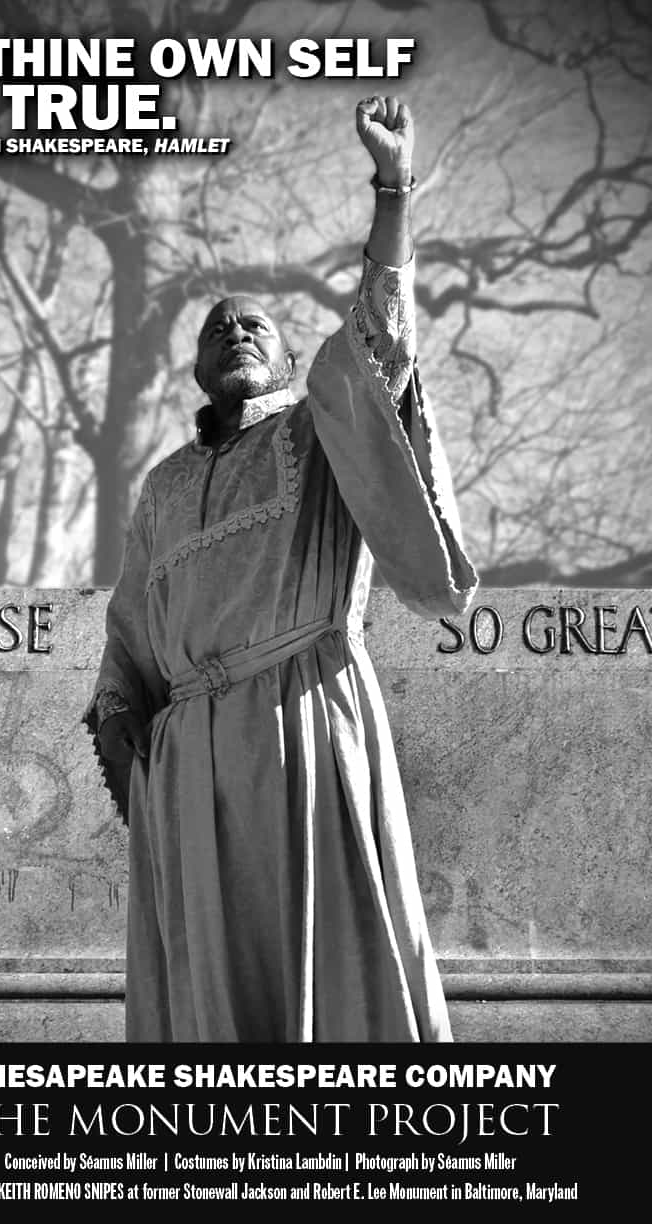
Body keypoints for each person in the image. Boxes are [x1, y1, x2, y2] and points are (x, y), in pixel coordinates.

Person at [84, 96, 477, 1042]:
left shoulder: (321, 423)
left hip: (305, 721)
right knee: (213, 1016)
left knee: (335, 977)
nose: (239, 331)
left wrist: (392, 186)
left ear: (291, 357)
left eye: (258, 324)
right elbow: (129, 642)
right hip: (189, 775)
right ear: (196, 368)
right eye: (219, 325)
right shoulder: (162, 488)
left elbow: (381, 338)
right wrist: (137, 753)